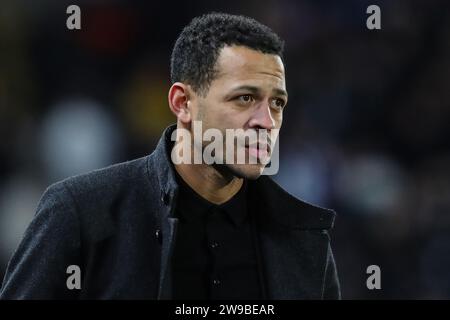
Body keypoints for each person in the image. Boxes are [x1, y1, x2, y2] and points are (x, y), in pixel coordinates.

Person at [0, 12, 340, 299]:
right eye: (244, 98)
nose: (266, 122)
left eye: (277, 103)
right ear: (183, 103)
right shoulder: (81, 214)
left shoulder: (304, 239)